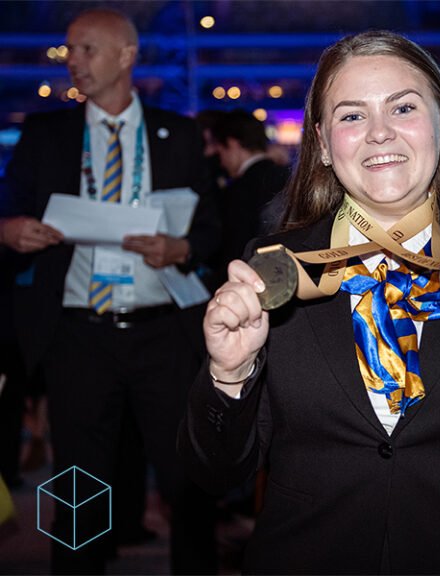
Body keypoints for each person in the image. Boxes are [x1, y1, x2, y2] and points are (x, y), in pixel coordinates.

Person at [179, 31, 440, 574]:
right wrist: (229, 375)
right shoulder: (271, 269)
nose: (379, 133)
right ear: (324, 144)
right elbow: (215, 476)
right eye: (351, 116)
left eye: (403, 107)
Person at [1, 9, 218, 573]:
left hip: (162, 334)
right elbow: (7, 207)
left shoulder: (180, 134)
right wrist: (9, 231)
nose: (71, 60)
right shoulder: (46, 134)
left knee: (184, 475)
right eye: (68, 50)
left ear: (126, 55)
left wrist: (182, 248)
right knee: (77, 483)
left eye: (86, 49)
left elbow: (214, 228)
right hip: (78, 337)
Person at [209, 109, 291, 282]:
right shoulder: (289, 177)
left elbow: (232, 251)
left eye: (221, 152)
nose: (221, 161)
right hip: (287, 274)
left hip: (250, 279)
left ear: (232, 144)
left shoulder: (238, 191)